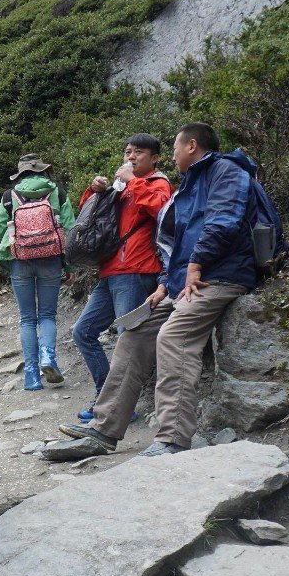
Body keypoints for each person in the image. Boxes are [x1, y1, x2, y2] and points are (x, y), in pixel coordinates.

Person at [47, 123, 260, 461]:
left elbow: (224, 222)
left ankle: (172, 439)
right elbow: (176, 243)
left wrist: (196, 265)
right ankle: (103, 430)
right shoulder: (191, 183)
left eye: (175, 148)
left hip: (220, 276)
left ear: (191, 146)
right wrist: (166, 282)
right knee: (133, 334)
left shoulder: (226, 172)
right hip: (189, 278)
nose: (173, 156)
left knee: (173, 337)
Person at [70, 134, 173, 420]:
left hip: (137, 271)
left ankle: (118, 409)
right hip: (110, 271)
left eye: (138, 153)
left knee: (127, 341)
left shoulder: (157, 183)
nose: (131, 157)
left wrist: (132, 181)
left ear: (154, 158)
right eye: (128, 152)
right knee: (83, 332)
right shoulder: (123, 185)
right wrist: (94, 191)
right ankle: (107, 397)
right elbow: (90, 216)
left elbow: (161, 210)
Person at [0, 154, 76, 391]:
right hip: (51, 259)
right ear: (43, 171)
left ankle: (31, 375)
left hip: (20, 261)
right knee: (48, 315)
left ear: (21, 174)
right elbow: (69, 229)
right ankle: (48, 357)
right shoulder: (57, 192)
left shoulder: (10, 196)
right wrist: (69, 266)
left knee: (27, 318)